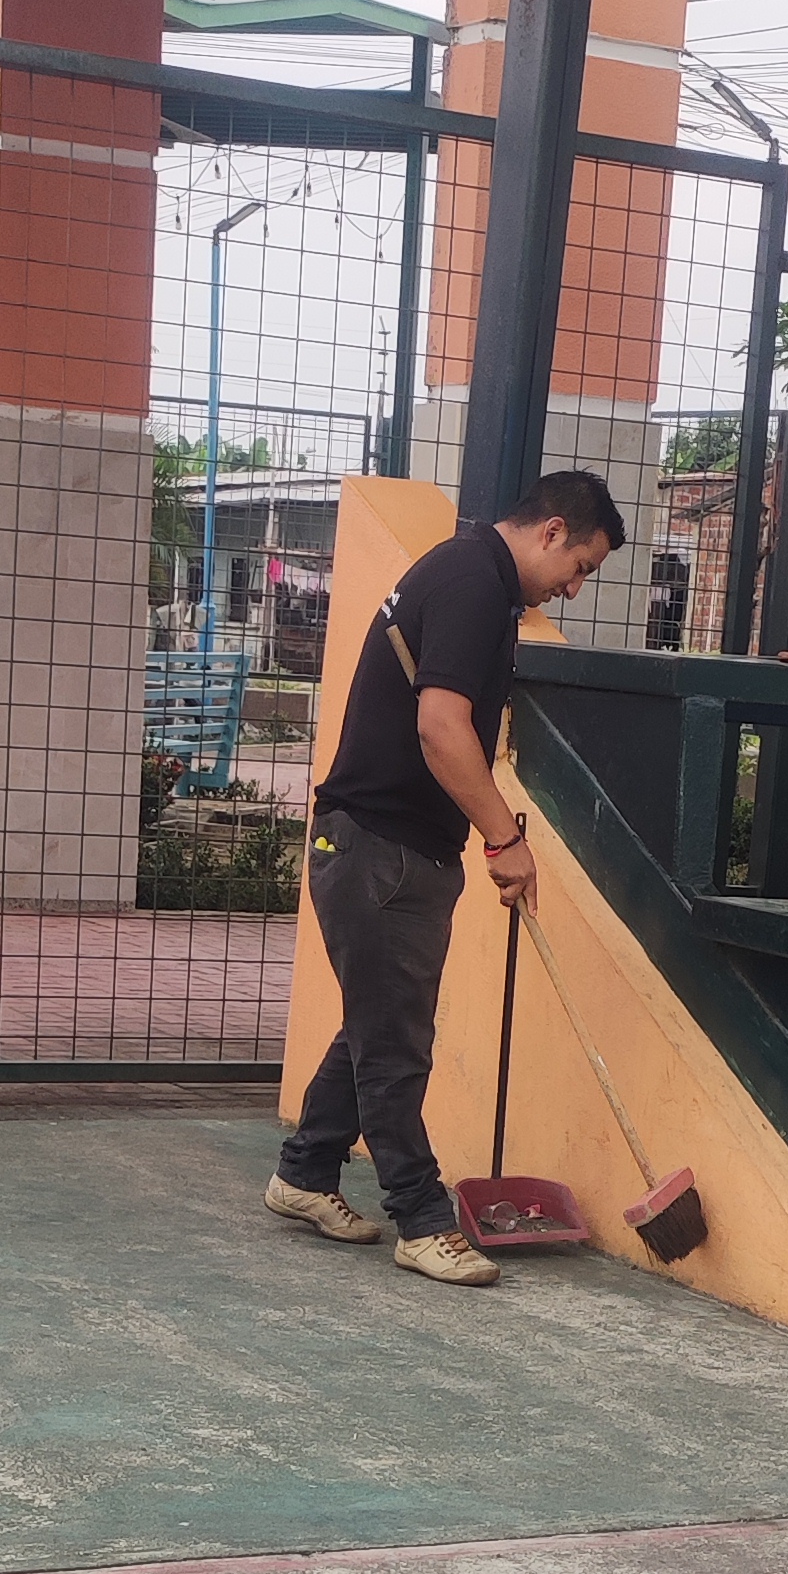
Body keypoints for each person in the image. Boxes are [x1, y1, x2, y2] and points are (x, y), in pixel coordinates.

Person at [268, 471, 626, 1286]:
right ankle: (422, 1220)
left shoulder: (473, 578)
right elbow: (441, 725)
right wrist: (506, 839)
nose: (572, 589)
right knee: (396, 1046)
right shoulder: (472, 583)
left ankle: (305, 1172)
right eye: (579, 567)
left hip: (389, 847)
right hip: (379, 849)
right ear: (552, 530)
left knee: (380, 1024)